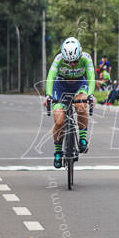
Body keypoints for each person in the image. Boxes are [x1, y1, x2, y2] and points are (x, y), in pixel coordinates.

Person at [45, 37, 96, 168]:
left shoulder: (86, 58)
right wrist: (48, 95)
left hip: (79, 85)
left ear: (80, 56)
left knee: (81, 104)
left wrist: (90, 95)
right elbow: (51, 77)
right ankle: (58, 152)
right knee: (60, 121)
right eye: (69, 62)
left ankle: (83, 138)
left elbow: (91, 77)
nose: (73, 64)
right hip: (60, 87)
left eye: (76, 61)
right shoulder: (58, 59)